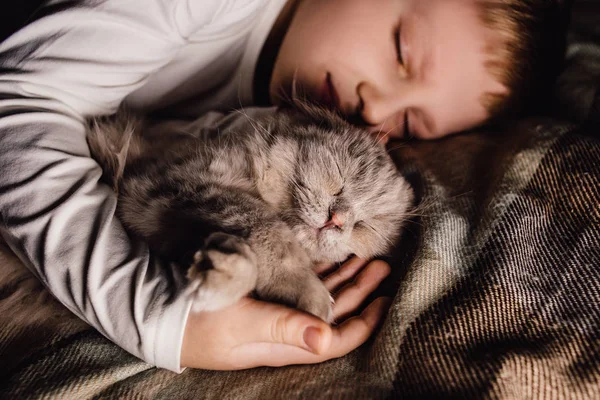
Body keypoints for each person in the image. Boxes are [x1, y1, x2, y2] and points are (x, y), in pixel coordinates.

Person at [0, 0, 567, 372]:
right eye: (402, 51)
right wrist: (162, 320)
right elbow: (19, 107)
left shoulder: (282, 124)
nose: (374, 107)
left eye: (410, 125)